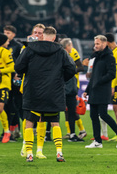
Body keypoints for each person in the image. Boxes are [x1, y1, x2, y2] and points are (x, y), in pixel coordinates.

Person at [15, 26, 76, 162]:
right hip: (53, 92)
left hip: (32, 91)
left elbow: (18, 66)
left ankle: (29, 153)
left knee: (30, 122)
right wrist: (61, 78)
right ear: (54, 38)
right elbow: (71, 68)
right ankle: (59, 153)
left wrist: (28, 73)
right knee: (55, 122)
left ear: (43, 36)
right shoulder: (60, 50)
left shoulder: (30, 49)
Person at [83, 35, 117, 149]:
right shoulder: (96, 57)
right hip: (94, 90)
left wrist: (99, 81)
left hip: (103, 90)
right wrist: (87, 90)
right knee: (93, 115)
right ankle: (98, 141)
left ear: (104, 43)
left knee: (103, 114)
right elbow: (92, 77)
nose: (95, 46)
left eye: (98, 44)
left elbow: (112, 74)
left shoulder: (109, 57)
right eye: (95, 43)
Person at [19, 23, 49, 159]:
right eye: (35, 32)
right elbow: (19, 65)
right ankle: (26, 144)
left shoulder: (49, 49)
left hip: (45, 86)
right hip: (29, 87)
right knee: (28, 117)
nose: (37, 35)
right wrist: (27, 47)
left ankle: (39, 150)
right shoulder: (26, 48)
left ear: (44, 35)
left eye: (40, 33)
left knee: (42, 118)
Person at [0, 32, 15, 143]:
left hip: (3, 85)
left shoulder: (5, 52)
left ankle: (7, 132)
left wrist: (0, 70)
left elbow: (13, 67)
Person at [60, 38, 85, 142]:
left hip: (66, 86)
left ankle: (72, 134)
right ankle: (74, 133)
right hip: (66, 86)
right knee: (68, 110)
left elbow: (80, 67)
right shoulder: (65, 56)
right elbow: (79, 68)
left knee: (69, 111)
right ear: (67, 46)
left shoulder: (59, 55)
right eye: (71, 45)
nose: (72, 48)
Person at [102, 32, 117, 140]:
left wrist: (113, 86)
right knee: (116, 108)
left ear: (107, 42)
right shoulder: (114, 51)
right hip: (115, 84)